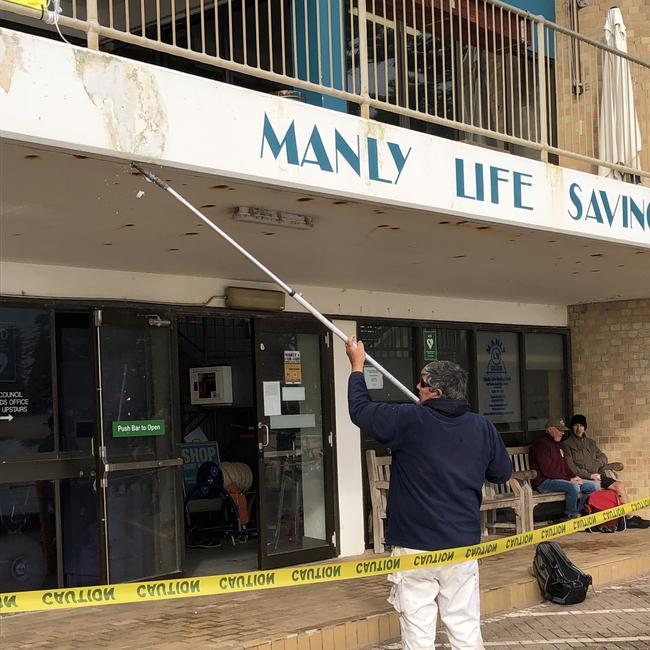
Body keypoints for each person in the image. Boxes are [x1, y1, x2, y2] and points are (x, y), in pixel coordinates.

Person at [346, 336, 512, 650]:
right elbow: (501, 473)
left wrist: (357, 367)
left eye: (421, 384)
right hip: (461, 546)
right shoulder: (481, 427)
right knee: (464, 627)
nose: (417, 388)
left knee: (418, 632)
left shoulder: (409, 420)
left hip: (414, 547)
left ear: (435, 392)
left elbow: (361, 410)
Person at [562, 414, 650, 529]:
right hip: (582, 478)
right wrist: (589, 475)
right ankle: (625, 518)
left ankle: (629, 517)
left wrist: (597, 465)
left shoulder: (591, 443)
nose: (578, 428)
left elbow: (603, 457)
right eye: (576, 425)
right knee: (596, 487)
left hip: (597, 475)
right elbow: (571, 467)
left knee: (619, 485)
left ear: (585, 428)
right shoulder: (567, 444)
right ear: (572, 427)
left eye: (581, 426)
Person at [530, 418, 600, 520]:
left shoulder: (558, 444)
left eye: (563, 430)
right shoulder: (541, 445)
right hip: (544, 482)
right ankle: (570, 515)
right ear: (550, 429)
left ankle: (580, 511)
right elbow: (548, 471)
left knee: (594, 486)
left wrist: (574, 476)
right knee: (574, 487)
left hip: (560, 480)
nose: (562, 433)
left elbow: (565, 466)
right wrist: (569, 480)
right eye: (559, 430)